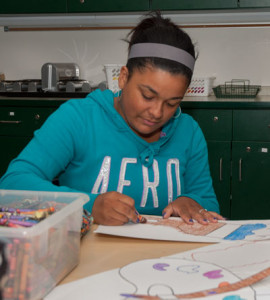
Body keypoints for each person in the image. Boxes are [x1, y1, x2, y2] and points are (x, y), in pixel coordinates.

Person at [0, 12, 223, 226]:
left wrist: (192, 202)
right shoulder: (79, 118)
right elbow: (12, 184)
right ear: (123, 78)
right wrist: (88, 205)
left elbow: (208, 203)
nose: (157, 112)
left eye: (172, 103)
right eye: (147, 96)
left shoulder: (188, 131)